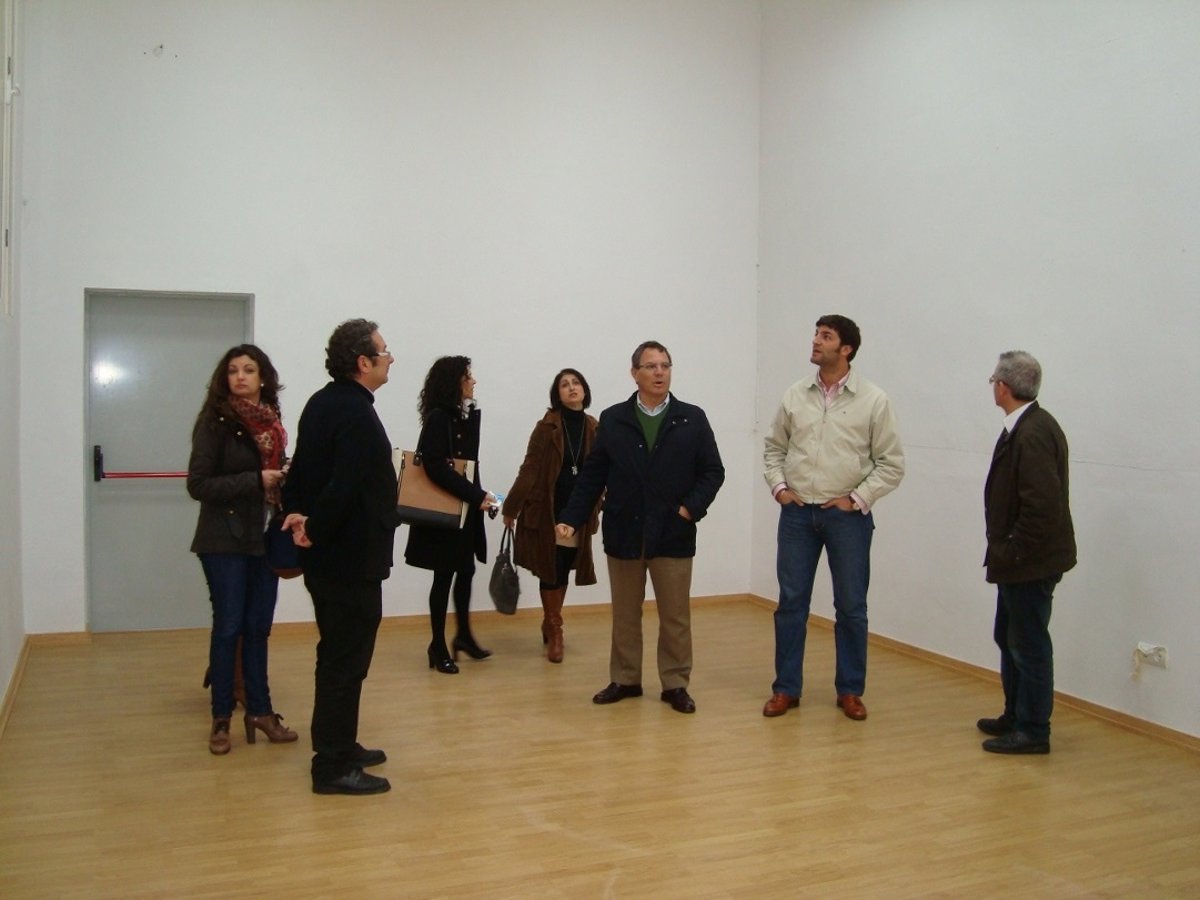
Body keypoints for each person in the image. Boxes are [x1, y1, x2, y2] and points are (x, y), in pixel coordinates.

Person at [557, 340, 724, 714]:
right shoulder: (614, 418)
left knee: (675, 616)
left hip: (673, 533)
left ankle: (675, 684)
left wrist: (689, 509)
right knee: (625, 614)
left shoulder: (692, 418)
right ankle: (626, 679)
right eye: (651, 366)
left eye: (665, 365)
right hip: (625, 531)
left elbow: (713, 471)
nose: (659, 372)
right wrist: (570, 516)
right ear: (635, 373)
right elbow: (594, 474)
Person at [762, 315, 904, 721]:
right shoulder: (795, 395)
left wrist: (856, 499)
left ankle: (850, 690)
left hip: (847, 519)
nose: (815, 341)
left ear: (846, 349)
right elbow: (774, 449)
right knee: (791, 604)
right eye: (816, 334)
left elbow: (891, 463)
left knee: (852, 606)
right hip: (797, 516)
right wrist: (780, 489)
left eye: (826, 337)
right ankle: (786, 688)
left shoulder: (873, 400)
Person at [281, 319, 398, 795]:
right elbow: (343, 485)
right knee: (344, 660)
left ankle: (341, 745)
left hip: (332, 558)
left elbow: (301, 472)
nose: (390, 359)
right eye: (384, 352)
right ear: (363, 362)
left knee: (338, 654)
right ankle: (331, 765)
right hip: (349, 558)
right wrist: (313, 527)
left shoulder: (323, 402)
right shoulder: (354, 412)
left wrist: (297, 515)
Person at [187, 344, 298, 755]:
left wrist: (285, 476)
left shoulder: (272, 421)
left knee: (258, 629)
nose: (240, 377)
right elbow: (198, 484)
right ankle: (221, 718)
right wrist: (256, 480)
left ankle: (261, 712)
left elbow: (271, 475)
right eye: (233, 370)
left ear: (262, 377)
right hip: (223, 539)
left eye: (249, 370)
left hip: (263, 537)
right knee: (229, 627)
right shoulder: (215, 422)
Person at [978, 351, 1076, 755]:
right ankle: (1015, 715)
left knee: (1028, 645)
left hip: (1029, 564)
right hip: (1019, 561)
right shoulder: (1025, 426)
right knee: (1009, 636)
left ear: (1003, 387)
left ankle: (1034, 729)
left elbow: (1041, 507)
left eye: (993, 382)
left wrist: (1014, 552)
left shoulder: (1033, 432)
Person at [405, 356, 498, 674]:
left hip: (463, 508)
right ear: (454, 382)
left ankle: (463, 637)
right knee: (444, 576)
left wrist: (482, 499)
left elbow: (467, 465)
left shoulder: (461, 416)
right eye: (467, 376)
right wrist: (477, 496)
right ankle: (437, 644)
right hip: (446, 511)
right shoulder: (439, 418)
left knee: (465, 570)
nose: (473, 381)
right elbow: (434, 465)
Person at [502, 368, 601, 663]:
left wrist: (602, 501)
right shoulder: (547, 427)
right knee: (551, 567)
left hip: (579, 510)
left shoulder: (594, 427)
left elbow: (602, 470)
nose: (571, 388)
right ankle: (556, 629)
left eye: (576, 383)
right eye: (564, 385)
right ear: (557, 394)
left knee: (566, 564)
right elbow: (530, 467)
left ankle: (550, 619)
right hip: (549, 509)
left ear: (584, 389)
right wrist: (511, 507)